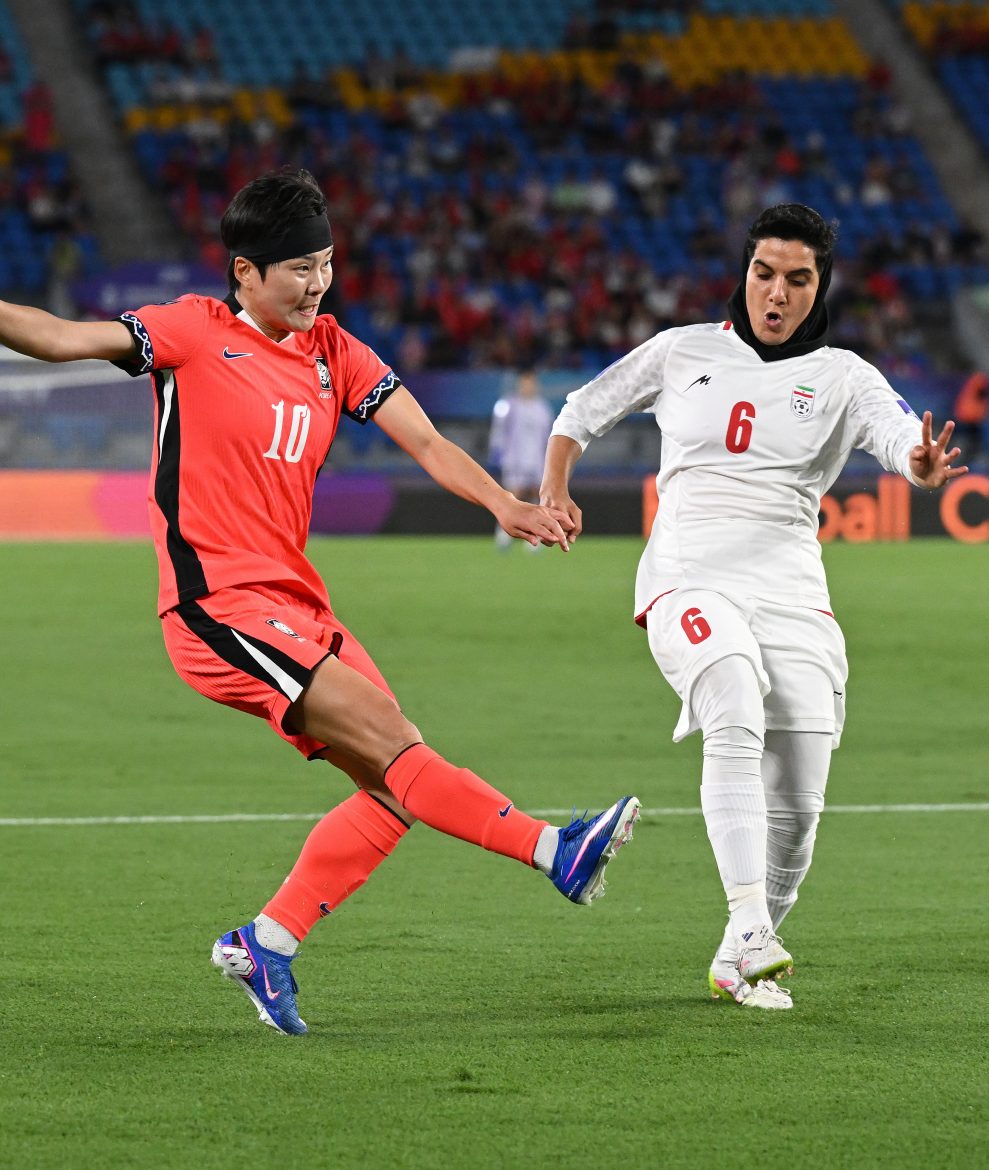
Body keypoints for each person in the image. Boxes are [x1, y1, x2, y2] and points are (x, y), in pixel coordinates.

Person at [0, 168, 639, 1035]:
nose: (316, 284)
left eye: (326, 264)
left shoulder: (336, 351)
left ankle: (269, 942)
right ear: (245, 274)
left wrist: (506, 506)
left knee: (395, 789)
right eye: (298, 268)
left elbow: (425, 438)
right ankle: (553, 851)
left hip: (298, 606)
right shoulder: (191, 330)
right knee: (397, 745)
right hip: (216, 606)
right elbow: (59, 337)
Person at [541, 203, 966, 1011]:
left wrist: (917, 462)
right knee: (732, 688)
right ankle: (748, 927)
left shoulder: (843, 374)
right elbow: (579, 413)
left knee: (799, 810)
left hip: (791, 590)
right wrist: (555, 486)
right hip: (687, 571)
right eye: (763, 273)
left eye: (797, 279)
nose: (776, 293)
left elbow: (894, 435)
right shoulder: (683, 350)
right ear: (744, 273)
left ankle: (741, 951)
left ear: (820, 287)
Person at [488, 366, 555, 550]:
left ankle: (536, 538)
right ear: (519, 385)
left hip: (537, 459)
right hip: (515, 458)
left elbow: (549, 436)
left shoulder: (543, 409)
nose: (528, 387)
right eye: (524, 383)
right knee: (514, 495)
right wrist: (498, 451)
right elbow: (499, 431)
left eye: (531, 383)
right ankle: (503, 535)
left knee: (536, 496)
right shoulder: (509, 405)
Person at [952, 369, 989, 465]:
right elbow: (984, 393)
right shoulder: (979, 380)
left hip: (967, 418)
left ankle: (965, 462)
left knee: (969, 443)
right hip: (969, 419)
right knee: (970, 443)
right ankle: (964, 462)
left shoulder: (971, 384)